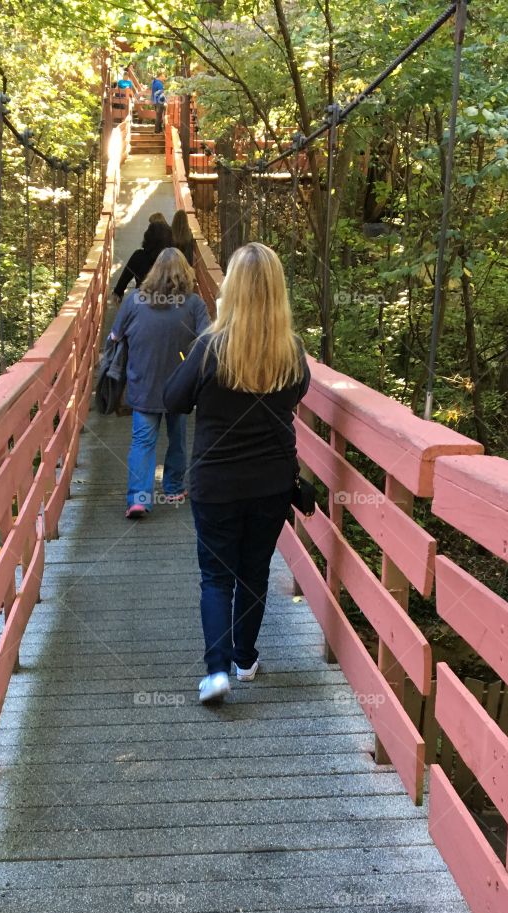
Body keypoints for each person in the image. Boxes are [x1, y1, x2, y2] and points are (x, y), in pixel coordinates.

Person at [163, 243, 311, 704]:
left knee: (216, 576)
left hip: (216, 484)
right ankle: (245, 658)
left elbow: (172, 400)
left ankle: (217, 671)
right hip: (270, 484)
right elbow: (298, 394)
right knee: (254, 573)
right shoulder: (292, 352)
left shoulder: (209, 347)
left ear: (232, 290)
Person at [111, 248, 210, 518]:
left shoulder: (134, 300)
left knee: (142, 441)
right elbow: (207, 342)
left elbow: (114, 336)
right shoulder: (194, 304)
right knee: (177, 437)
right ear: (185, 273)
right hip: (180, 385)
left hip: (143, 384)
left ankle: (139, 499)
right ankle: (173, 487)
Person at [111, 218, 172, 301]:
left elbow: (118, 290)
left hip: (141, 302)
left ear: (147, 237)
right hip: (169, 305)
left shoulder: (138, 256)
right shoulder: (174, 258)